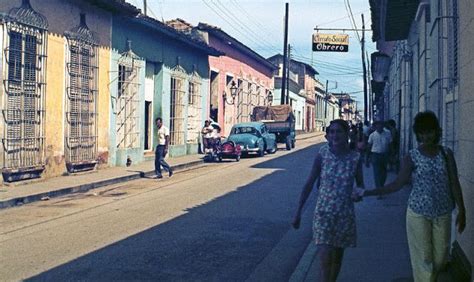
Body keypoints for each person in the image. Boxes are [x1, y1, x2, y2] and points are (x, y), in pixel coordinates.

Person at [361, 111, 466, 282]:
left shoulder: (446, 154)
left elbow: (454, 182)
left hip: (443, 212)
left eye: (430, 131)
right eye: (422, 132)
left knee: (440, 258)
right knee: (423, 260)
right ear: (418, 134)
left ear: (436, 131)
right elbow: (397, 184)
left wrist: (462, 210)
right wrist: (369, 192)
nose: (426, 136)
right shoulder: (412, 156)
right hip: (418, 213)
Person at [292, 119, 364, 282]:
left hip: (344, 215)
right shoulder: (323, 154)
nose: (335, 135)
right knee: (325, 259)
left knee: (337, 258)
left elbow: (360, 185)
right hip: (323, 214)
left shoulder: (355, 158)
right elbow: (309, 183)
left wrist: (357, 194)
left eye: (339, 131)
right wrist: (298, 213)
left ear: (347, 134)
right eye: (331, 132)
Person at [367, 120, 392, 198]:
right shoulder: (372, 135)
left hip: (385, 155)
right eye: (377, 125)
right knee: (377, 173)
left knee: (384, 173)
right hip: (375, 155)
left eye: (380, 125)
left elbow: (390, 144)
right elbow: (369, 146)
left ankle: (381, 185)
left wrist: (391, 155)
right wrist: (367, 158)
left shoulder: (388, 133)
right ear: (375, 126)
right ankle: (379, 191)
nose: (379, 127)